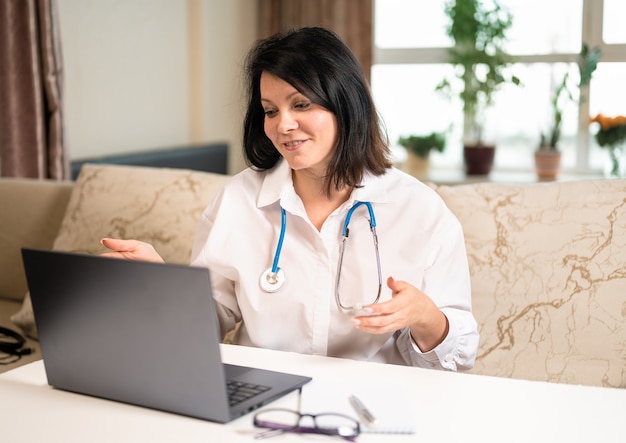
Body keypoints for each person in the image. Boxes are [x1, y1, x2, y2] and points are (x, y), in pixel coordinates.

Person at [102, 27, 479, 370]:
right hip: (261, 394)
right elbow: (207, 323)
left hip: (370, 403)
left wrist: (424, 315)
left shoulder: (420, 211)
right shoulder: (238, 200)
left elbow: (458, 361)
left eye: (301, 104)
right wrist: (160, 283)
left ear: (345, 104)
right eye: (270, 110)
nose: (282, 125)